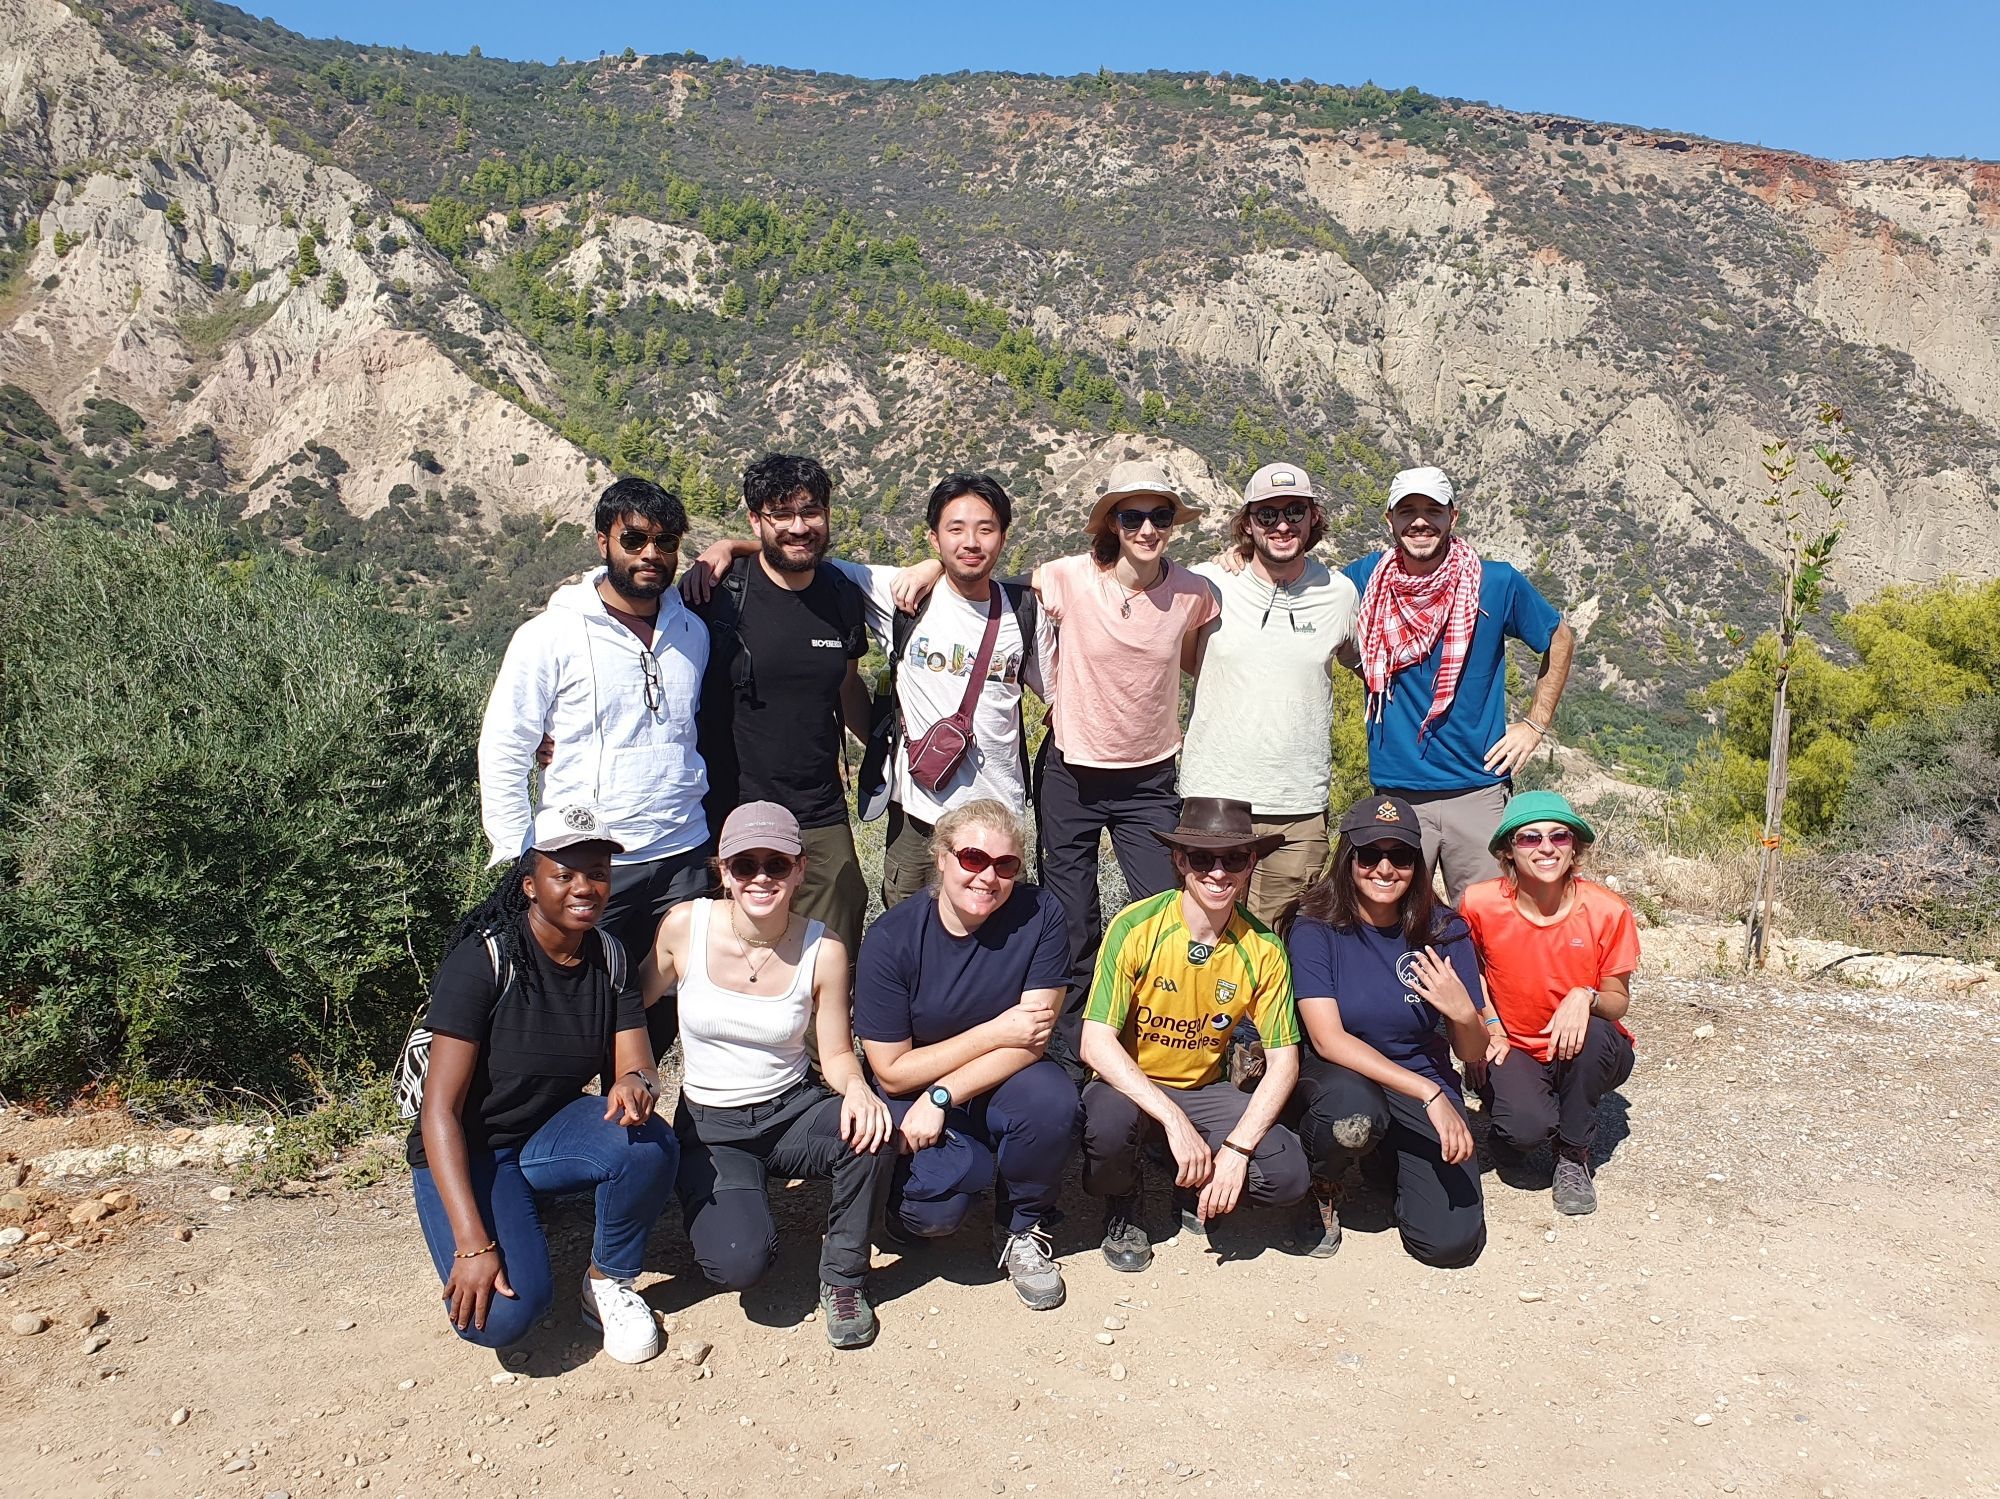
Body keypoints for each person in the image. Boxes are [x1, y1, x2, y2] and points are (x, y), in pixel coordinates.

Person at [690, 472, 1050, 909]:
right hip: (918, 815)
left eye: (985, 529)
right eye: (955, 529)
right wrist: (729, 547)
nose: (971, 541)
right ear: (933, 538)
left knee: (1002, 935)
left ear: (1004, 536)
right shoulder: (896, 593)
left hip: (998, 811)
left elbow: (1060, 700)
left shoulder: (1025, 613)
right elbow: (797, 554)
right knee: (909, 934)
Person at [408, 804, 677, 1364]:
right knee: (503, 1319)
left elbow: (639, 1064)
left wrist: (634, 1083)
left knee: (648, 1143)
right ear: (530, 884)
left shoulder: (609, 956)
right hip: (472, 1145)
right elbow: (438, 1112)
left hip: (546, 1132)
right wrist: (472, 1244)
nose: (586, 887)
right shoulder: (483, 960)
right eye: (565, 874)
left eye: (598, 873)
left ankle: (606, 1281)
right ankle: (502, 1213)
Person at [638, 801, 895, 1349]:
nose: (760, 877)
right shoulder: (686, 927)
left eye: (776, 864)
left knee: (871, 1132)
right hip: (711, 1127)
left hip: (790, 1110)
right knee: (739, 1265)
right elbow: (632, 1006)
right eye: (744, 865)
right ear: (723, 872)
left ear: (800, 869)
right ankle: (732, 1203)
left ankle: (844, 1278)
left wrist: (857, 1089)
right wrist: (631, 1072)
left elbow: (837, 1052)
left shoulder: (823, 948)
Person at [853, 799, 1078, 1310]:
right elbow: (891, 1073)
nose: (988, 878)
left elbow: (1034, 1040)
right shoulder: (892, 939)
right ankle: (907, 1194)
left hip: (988, 1082)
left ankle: (1023, 1226)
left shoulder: (1039, 913)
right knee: (935, 1214)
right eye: (973, 859)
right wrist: (995, 1030)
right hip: (911, 1093)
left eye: (1005, 865)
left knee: (1051, 1100)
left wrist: (944, 1091)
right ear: (941, 857)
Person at [477, 478, 710, 968]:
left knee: (671, 998)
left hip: (682, 854)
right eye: (634, 539)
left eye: (665, 542)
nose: (651, 553)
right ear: (603, 540)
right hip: (588, 861)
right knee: (578, 1001)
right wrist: (521, 852)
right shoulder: (550, 635)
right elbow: (505, 744)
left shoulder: (693, 632)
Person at [1033, 458, 1218, 1067]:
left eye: (1159, 516)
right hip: (1072, 770)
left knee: (1162, 906)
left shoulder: (1193, 593)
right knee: (1071, 914)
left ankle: (1150, 1035)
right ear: (1111, 524)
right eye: (1131, 516)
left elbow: (1198, 660)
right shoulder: (1066, 578)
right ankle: (1070, 1043)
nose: (1146, 528)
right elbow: (990, 585)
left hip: (1149, 776)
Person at [1078, 798, 1308, 1272]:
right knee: (1107, 1127)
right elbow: (1094, 1041)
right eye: (1202, 859)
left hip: (1205, 1088)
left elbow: (1285, 1062)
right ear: (1180, 860)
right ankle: (1124, 1199)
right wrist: (1173, 1120)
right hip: (1132, 1084)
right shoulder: (1136, 927)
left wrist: (1238, 1149)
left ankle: (1199, 1180)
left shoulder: (1263, 948)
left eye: (1234, 860)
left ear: (1251, 865)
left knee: (1285, 1175)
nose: (1218, 874)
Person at [1342, 465, 1576, 903]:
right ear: (1388, 519)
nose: (1419, 520)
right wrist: (1241, 555)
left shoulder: (1497, 582)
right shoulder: (1366, 579)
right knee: (1390, 923)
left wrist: (1534, 725)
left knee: (1485, 923)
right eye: (1407, 509)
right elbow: (1306, 593)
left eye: (1432, 509)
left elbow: (1559, 638)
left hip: (1478, 790)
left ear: (1454, 516)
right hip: (1396, 794)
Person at [1285, 795, 1502, 1266]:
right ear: (1349, 858)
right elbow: (1327, 1039)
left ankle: (1386, 1159)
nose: (1385, 868)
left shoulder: (1444, 931)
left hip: (1418, 1078)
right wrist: (1429, 1093)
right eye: (1370, 854)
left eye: (1400, 855)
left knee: (1449, 1244)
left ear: (1416, 864)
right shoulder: (1316, 925)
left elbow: (1470, 1051)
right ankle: (1321, 1183)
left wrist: (1464, 1013)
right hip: (1345, 1074)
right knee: (1351, 1115)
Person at [684, 454, 873, 959]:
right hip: (730, 806)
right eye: (780, 515)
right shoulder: (719, 594)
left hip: (819, 807)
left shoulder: (841, 595)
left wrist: (883, 751)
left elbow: (847, 687)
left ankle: (820, 1041)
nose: (798, 527)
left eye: (810, 512)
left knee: (835, 938)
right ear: (755, 520)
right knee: (734, 953)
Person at [1184, 461, 1359, 929]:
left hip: (1298, 810)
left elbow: (1364, 662)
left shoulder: (1340, 593)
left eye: (1294, 511)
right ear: (1247, 522)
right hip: (1215, 799)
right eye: (1267, 515)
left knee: (1278, 942)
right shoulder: (1209, 583)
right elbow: (1171, 652)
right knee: (1206, 934)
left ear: (1312, 518)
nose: (1282, 525)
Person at [1459, 791, 1638, 1216]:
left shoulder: (1607, 911)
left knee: (1596, 1033)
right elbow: (1472, 971)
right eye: (1529, 838)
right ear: (1507, 851)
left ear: (1574, 847)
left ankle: (1574, 1157)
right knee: (1524, 1131)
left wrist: (1586, 995)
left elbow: (1617, 1001)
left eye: (1559, 837)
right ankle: (1516, 1114)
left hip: (1581, 1045)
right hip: (1514, 1044)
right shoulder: (1479, 904)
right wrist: (1489, 1026)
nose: (1545, 848)